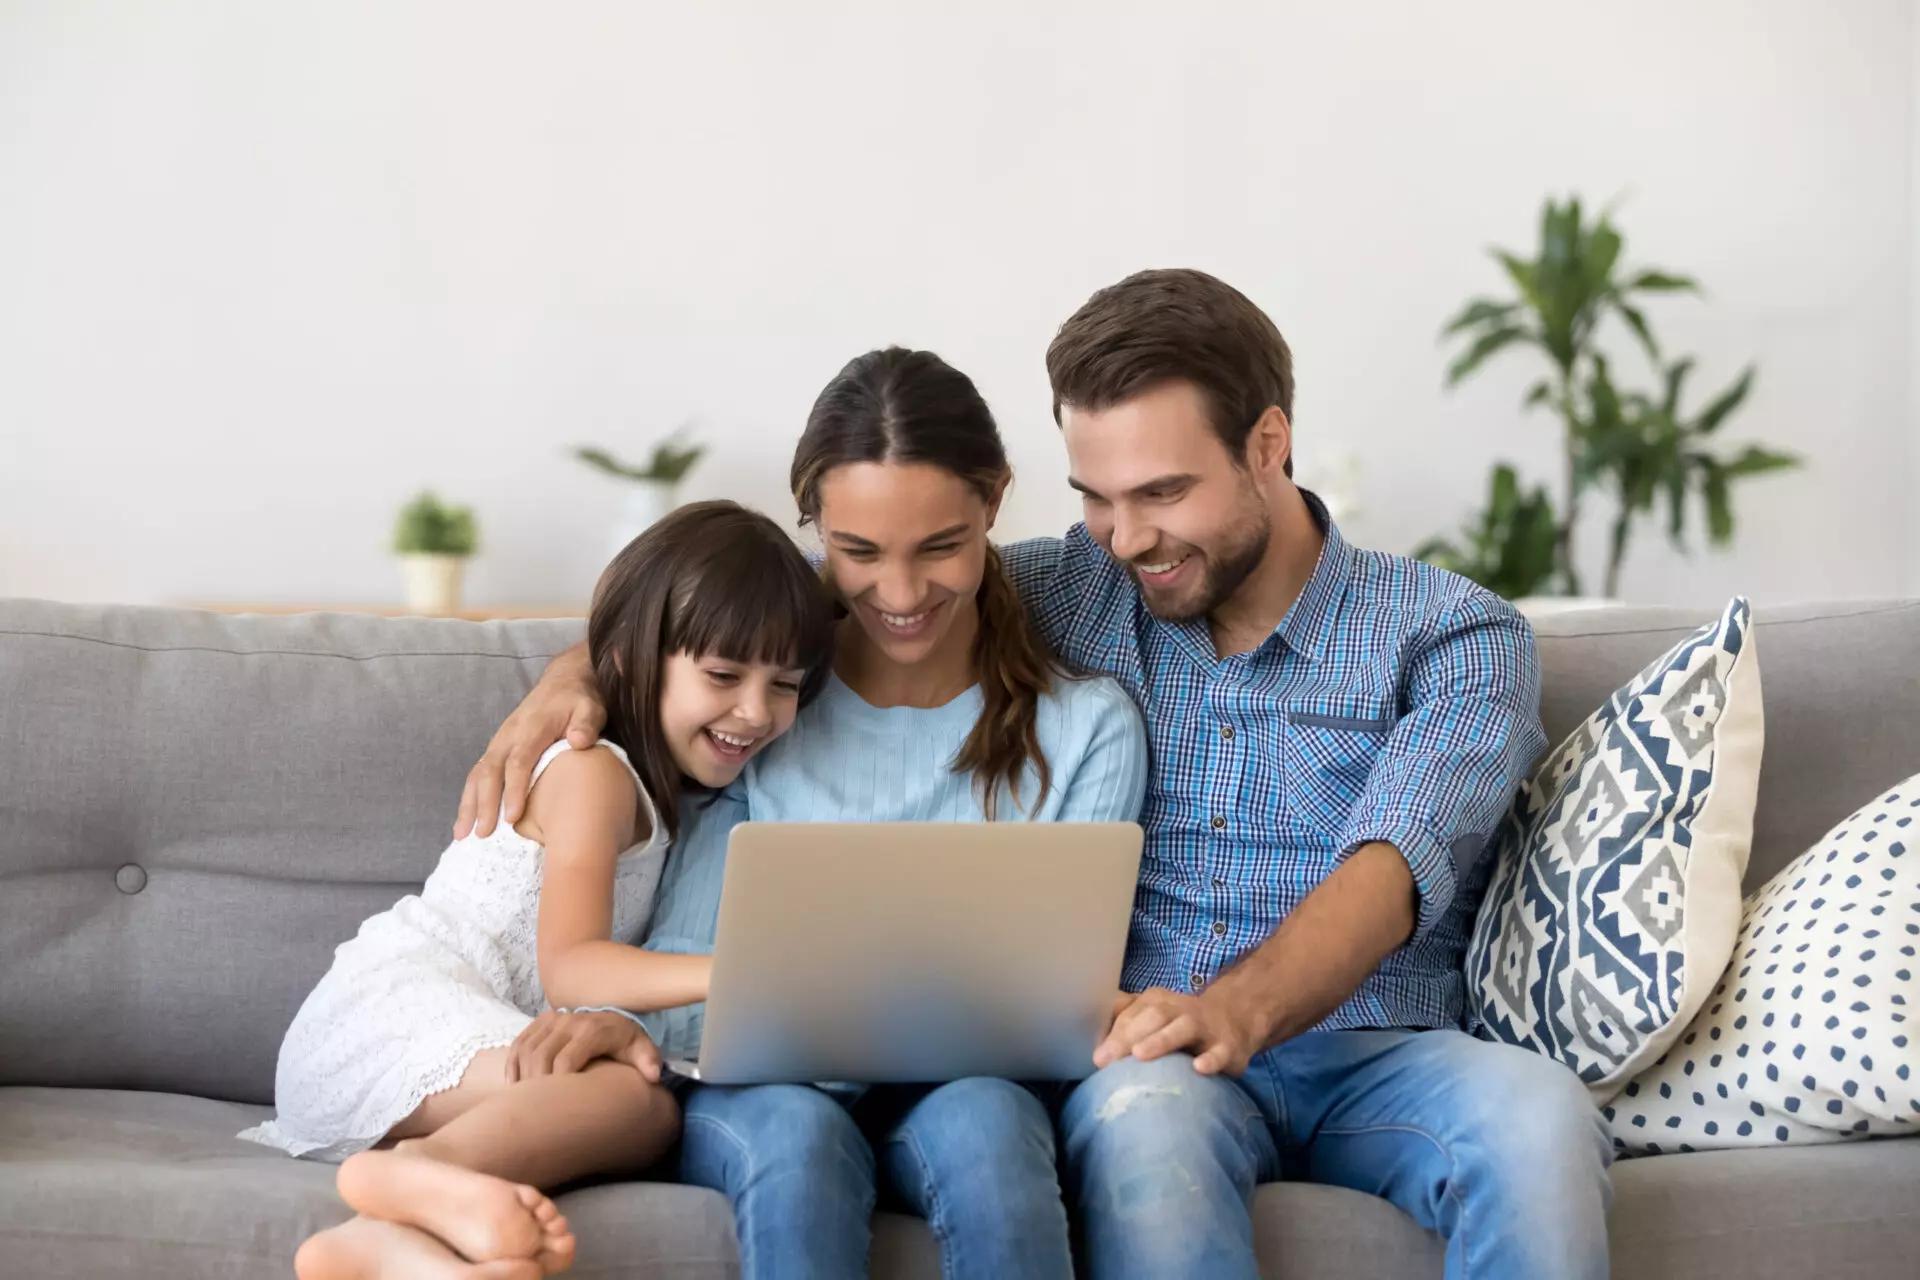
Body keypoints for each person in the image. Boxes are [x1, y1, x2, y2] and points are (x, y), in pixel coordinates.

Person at [460, 271, 1612, 1280]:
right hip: (1149, 1064)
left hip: (1377, 1050)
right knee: (1153, 1132)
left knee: (1539, 1118)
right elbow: (819, 597)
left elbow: (1395, 862)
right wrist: (582, 671)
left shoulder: (1452, 635)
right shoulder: (1081, 584)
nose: (1124, 536)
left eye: (1162, 493)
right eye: (1094, 498)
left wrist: (1228, 1012)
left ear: (1270, 444)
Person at [468, 346, 1149, 1280]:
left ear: (995, 503)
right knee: (797, 1139)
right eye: (859, 552)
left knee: (992, 1130)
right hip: (752, 1084)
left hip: (963, 1082)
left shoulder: (1085, 728)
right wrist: (570, 671)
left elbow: (1055, 997)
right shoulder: (767, 699)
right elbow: (652, 642)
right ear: (812, 522)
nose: (902, 597)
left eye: (942, 548)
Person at [243, 501, 837, 1280]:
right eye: (724, 675)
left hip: (461, 1051)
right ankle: (422, 1169)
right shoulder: (595, 774)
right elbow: (574, 969)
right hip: (387, 1017)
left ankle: (381, 1241)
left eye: (785, 685)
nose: (756, 711)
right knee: (637, 1099)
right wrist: (750, 975)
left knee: (637, 1099)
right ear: (631, 661)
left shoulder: (670, 790)